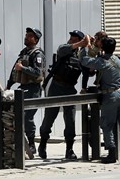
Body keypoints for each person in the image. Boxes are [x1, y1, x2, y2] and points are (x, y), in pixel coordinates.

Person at [79, 35, 120, 164]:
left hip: (110, 96)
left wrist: (86, 46)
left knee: (107, 125)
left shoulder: (102, 62)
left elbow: (84, 60)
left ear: (103, 47)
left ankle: (111, 152)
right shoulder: (118, 60)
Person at [38, 30, 86, 160]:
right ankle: (42, 144)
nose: (71, 40)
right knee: (49, 118)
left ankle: (69, 149)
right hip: (56, 87)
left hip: (70, 89)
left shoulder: (81, 55)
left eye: (75, 38)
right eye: (71, 37)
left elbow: (89, 69)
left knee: (70, 120)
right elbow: (63, 49)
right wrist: (82, 43)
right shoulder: (64, 49)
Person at [7, 27, 45, 158]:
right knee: (17, 115)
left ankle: (32, 144)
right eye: (26, 35)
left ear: (35, 39)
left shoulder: (37, 54)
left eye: (30, 36)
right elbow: (15, 70)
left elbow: (37, 72)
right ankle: (20, 144)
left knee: (28, 117)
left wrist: (22, 67)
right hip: (23, 88)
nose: (26, 37)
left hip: (33, 89)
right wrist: (8, 85)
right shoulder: (24, 52)